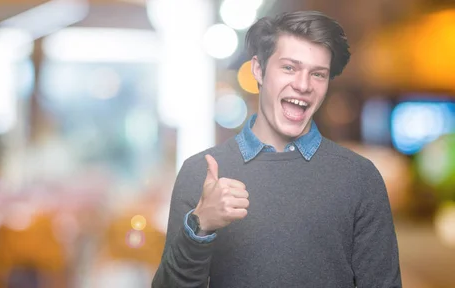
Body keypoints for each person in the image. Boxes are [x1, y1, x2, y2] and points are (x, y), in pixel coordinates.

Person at [152, 10, 402, 288]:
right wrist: (201, 226)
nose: (303, 85)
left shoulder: (359, 178)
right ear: (258, 69)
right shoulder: (200, 172)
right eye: (289, 68)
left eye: (318, 74)